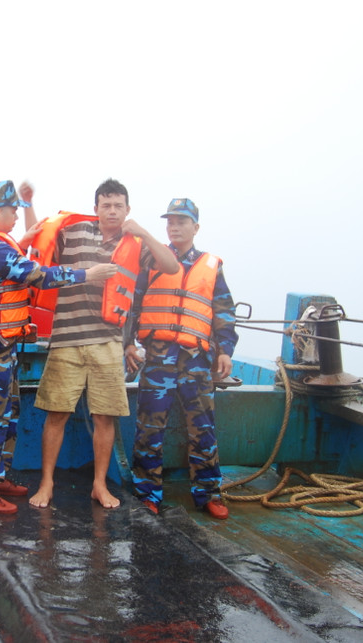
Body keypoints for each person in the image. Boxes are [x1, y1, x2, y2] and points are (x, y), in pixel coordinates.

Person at [0, 179, 117, 515]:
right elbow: (39, 276)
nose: (17, 215)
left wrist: (22, 240)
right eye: (13, 210)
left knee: (8, 413)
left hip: (1, 345)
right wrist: (88, 274)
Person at [28, 179, 180, 509]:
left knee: (105, 417)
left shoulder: (136, 245)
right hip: (66, 339)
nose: (112, 211)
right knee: (57, 414)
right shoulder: (74, 232)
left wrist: (145, 232)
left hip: (109, 342)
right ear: (96, 207)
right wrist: (28, 203)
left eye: (118, 206)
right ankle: (46, 483)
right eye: (106, 205)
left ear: (127, 210)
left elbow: (171, 266)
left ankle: (99, 484)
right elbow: (37, 250)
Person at [124, 198, 239, 520]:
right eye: (170, 222)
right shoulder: (152, 259)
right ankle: (148, 494)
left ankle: (208, 494)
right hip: (159, 357)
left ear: (195, 227)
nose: (174, 227)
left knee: (203, 427)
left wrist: (226, 350)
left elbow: (224, 312)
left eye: (181, 221)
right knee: (150, 427)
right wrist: (128, 344)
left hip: (197, 360)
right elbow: (134, 304)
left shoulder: (212, 265)